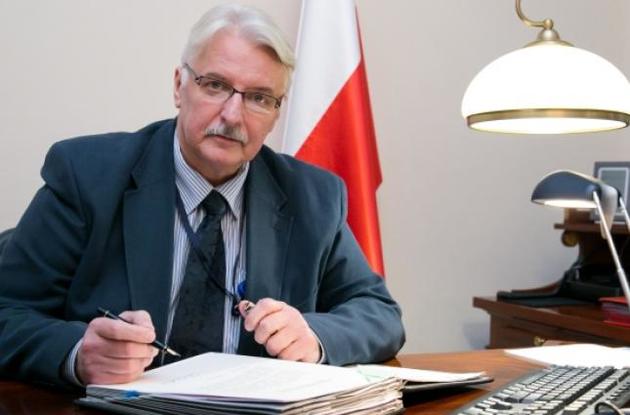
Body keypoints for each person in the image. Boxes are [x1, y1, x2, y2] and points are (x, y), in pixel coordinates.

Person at [0, 4, 405, 389]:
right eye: (215, 85)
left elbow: (379, 314)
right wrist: (77, 355)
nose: (232, 115)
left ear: (276, 113)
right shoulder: (87, 176)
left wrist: (313, 336)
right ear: (179, 86)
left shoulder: (312, 196)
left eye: (259, 98)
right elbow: (7, 311)